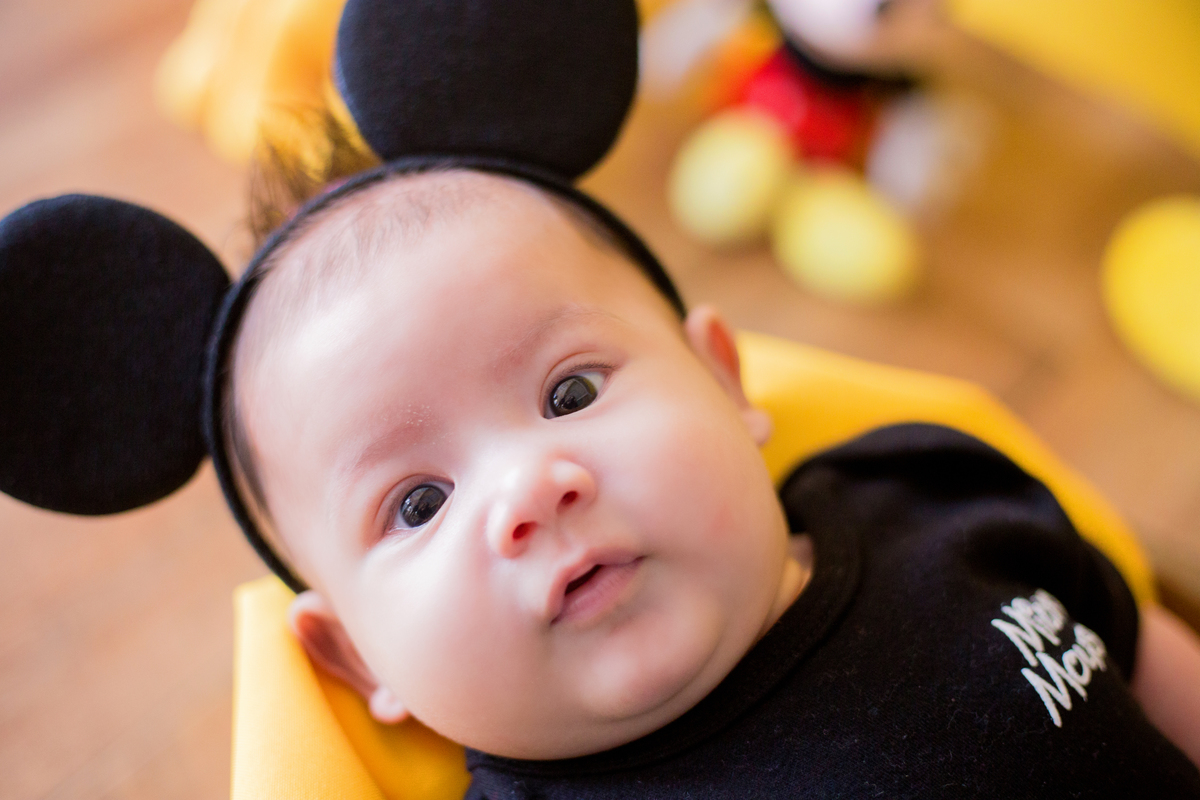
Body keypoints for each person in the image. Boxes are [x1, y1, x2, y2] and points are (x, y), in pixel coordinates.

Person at [220, 163, 1200, 797]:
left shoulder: (930, 493)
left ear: (725, 380)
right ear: (356, 655)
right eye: (418, 501)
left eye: (568, 392)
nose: (530, 487)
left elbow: (1139, 646)